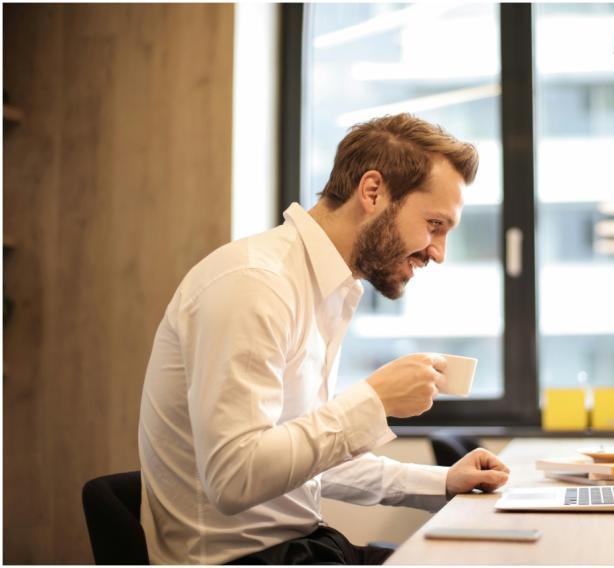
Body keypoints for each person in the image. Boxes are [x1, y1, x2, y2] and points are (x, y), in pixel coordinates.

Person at [138, 113, 511, 565]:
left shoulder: (328, 289)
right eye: (434, 224)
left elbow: (302, 460)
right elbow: (234, 478)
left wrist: (441, 482)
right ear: (372, 193)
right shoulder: (255, 284)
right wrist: (372, 402)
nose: (439, 252)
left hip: (300, 548)